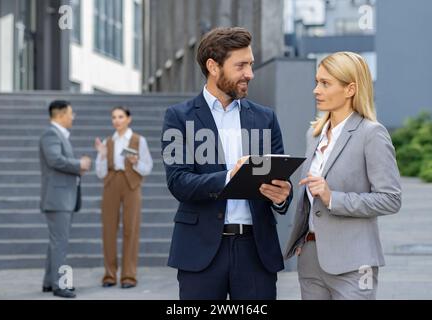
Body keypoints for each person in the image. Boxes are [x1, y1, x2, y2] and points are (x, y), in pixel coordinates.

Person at [161, 27, 293, 300]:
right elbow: (178, 182)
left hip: (256, 252)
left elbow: (281, 182)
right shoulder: (178, 117)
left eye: (251, 65)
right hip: (200, 252)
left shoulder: (266, 118)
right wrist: (229, 177)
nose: (250, 74)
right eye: (241, 65)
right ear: (213, 66)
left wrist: (282, 196)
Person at [284, 51, 402, 300]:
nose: (316, 89)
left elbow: (391, 199)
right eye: (317, 82)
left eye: (325, 83)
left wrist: (333, 198)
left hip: (355, 263)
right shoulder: (314, 134)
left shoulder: (372, 134)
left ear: (350, 89)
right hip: (311, 259)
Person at [95, 106, 153, 289]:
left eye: (120, 116)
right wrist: (103, 156)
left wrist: (136, 163)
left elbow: (147, 167)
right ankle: (110, 274)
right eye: (114, 117)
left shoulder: (138, 140)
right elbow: (100, 172)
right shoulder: (108, 141)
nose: (117, 120)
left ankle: (128, 275)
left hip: (132, 184)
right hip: (112, 182)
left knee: (131, 229)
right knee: (109, 230)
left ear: (128, 119)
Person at [39, 100, 91, 298]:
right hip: (57, 199)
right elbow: (55, 160)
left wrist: (78, 166)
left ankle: (48, 283)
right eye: (71, 113)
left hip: (62, 198)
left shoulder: (58, 135)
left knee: (56, 242)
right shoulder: (51, 134)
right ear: (60, 115)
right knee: (60, 242)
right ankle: (60, 285)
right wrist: (80, 164)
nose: (73, 116)